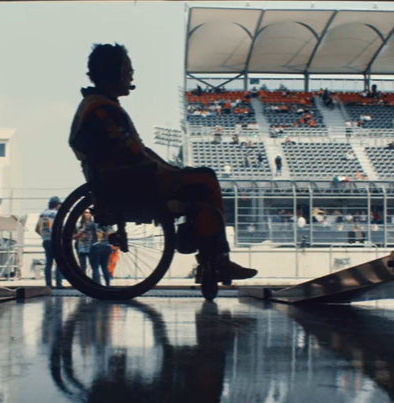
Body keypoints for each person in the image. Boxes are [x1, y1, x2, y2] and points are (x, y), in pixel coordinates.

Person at [68, 43, 257, 283]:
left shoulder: (94, 106)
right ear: (113, 73)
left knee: (197, 190)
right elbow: (134, 154)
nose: (131, 75)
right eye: (127, 70)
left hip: (121, 178)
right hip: (134, 181)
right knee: (205, 179)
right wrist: (170, 171)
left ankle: (211, 256)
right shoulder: (104, 110)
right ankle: (217, 259)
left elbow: (131, 151)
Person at [36, 196, 64, 289]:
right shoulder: (57, 214)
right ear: (57, 205)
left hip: (46, 241)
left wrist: (44, 236)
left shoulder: (42, 214)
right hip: (55, 241)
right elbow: (61, 228)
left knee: (48, 263)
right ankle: (58, 284)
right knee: (59, 262)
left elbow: (37, 229)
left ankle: (48, 284)